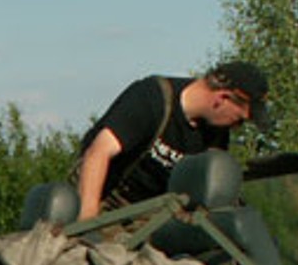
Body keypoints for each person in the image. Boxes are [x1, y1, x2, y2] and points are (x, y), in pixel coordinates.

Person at [73, 61, 269, 219]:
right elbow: (97, 153)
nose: (237, 127)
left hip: (153, 219)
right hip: (105, 205)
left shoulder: (216, 134)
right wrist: (88, 224)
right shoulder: (152, 97)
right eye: (240, 120)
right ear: (222, 98)